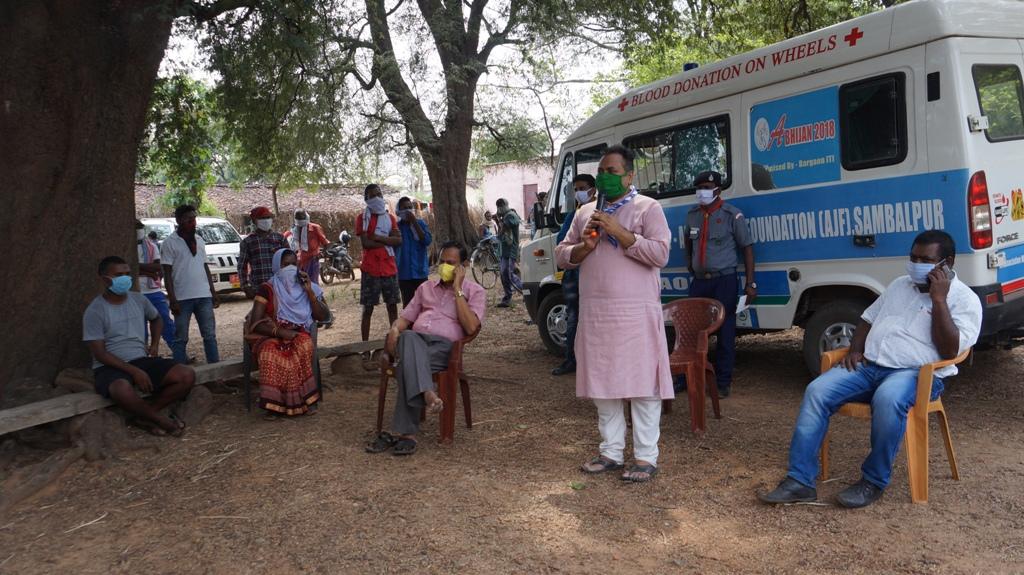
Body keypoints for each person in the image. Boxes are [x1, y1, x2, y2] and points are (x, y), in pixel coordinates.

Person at [758, 230, 982, 508]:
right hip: (870, 367)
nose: (916, 263)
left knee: (888, 398)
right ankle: (799, 481)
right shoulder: (901, 285)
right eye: (913, 257)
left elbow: (950, 350)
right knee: (817, 390)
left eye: (926, 259)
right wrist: (855, 349)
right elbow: (867, 318)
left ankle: (873, 482)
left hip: (916, 375)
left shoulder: (964, 299)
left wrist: (938, 300)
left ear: (947, 263)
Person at [554, 145, 673, 483]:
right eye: (602, 171)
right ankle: (611, 451)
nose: (605, 177)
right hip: (596, 314)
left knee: (643, 386)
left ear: (630, 175)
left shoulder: (648, 208)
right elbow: (561, 255)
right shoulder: (585, 212)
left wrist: (619, 232)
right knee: (603, 384)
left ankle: (646, 457)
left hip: (636, 314)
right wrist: (583, 247)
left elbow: (660, 254)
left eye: (613, 172)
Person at [366, 241, 485, 456]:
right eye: (442, 262)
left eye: (451, 263)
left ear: (463, 265)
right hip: (415, 341)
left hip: (443, 351)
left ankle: (408, 433)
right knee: (409, 337)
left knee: (406, 364)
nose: (445, 266)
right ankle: (427, 394)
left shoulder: (474, 292)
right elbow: (405, 319)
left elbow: (470, 327)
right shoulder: (425, 288)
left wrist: (457, 289)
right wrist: (394, 331)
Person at [84, 256, 195, 436]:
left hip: (141, 359)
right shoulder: (95, 311)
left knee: (186, 374)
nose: (125, 279)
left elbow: (156, 318)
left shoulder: (138, 300)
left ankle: (145, 415)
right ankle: (161, 420)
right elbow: (100, 353)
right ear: (105, 279)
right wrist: (134, 371)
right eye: (119, 275)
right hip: (109, 366)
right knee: (120, 388)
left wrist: (154, 344)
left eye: (127, 274)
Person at [682, 170, 757, 398]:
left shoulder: (731, 215)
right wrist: (691, 266)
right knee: (692, 331)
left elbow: (747, 248)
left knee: (725, 332)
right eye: (700, 187)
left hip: (724, 280)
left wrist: (751, 284)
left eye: (707, 187)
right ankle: (686, 377)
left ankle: (723, 382)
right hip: (699, 282)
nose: (702, 191)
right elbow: (688, 243)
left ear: (718, 190)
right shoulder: (693, 215)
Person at [246, 249, 329, 417]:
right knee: (270, 352)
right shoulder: (267, 288)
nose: (290, 269)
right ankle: (274, 405)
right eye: (285, 265)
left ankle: (300, 401)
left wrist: (309, 292)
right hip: (272, 334)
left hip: (298, 333)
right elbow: (255, 322)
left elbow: (323, 316)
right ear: (277, 267)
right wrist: (280, 332)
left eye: (293, 264)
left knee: (303, 346)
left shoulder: (309, 286)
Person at [161, 205, 220, 365]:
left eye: (194, 219)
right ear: (179, 220)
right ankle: (180, 373)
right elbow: (167, 272)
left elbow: (205, 266)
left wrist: (213, 292)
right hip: (182, 298)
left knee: (209, 336)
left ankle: (216, 373)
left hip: (204, 295)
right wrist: (172, 299)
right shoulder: (169, 242)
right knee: (181, 338)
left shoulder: (199, 240)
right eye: (188, 219)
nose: (192, 222)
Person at [551, 174, 596, 376]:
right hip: (572, 277)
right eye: (576, 189)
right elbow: (562, 244)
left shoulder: (600, 214)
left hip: (592, 277)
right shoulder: (573, 215)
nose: (579, 193)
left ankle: (591, 363)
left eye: (583, 188)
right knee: (573, 319)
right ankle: (572, 360)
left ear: (593, 190)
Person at [356, 184, 402, 342]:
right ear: (366, 199)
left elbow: (398, 241)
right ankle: (365, 348)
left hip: (389, 268)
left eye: (379, 194)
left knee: (392, 306)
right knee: (367, 309)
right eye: (372, 195)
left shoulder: (390, 218)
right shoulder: (362, 218)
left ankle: (394, 343)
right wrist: (388, 241)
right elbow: (366, 244)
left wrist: (379, 238)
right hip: (371, 269)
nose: (377, 198)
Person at [135, 220, 175, 349]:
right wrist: (148, 271)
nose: (139, 230)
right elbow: (128, 267)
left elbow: (158, 267)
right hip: (136, 291)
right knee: (139, 327)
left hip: (153, 290)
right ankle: (142, 355)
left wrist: (139, 268)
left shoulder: (150, 246)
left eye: (140, 227)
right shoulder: (122, 246)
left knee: (165, 321)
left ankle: (178, 352)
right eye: (136, 228)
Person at [238, 206, 288, 299]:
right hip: (259, 287)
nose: (266, 220)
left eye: (268, 217)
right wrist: (245, 286)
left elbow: (290, 262)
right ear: (254, 221)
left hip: (281, 286)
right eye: (262, 218)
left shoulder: (280, 238)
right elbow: (242, 266)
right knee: (261, 312)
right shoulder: (248, 242)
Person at [395, 196, 433, 306]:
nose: (408, 210)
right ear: (399, 211)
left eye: (409, 207)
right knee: (408, 305)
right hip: (404, 273)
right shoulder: (396, 227)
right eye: (404, 208)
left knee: (425, 303)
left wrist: (414, 222)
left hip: (420, 271)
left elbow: (427, 241)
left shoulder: (420, 224)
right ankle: (410, 324)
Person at [284, 209, 328, 285]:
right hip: (299, 261)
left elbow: (326, 243)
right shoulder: (294, 230)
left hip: (312, 260)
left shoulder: (315, 228)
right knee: (300, 284)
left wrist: (322, 254)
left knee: (313, 284)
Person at [494, 198, 523, 308]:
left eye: (501, 205)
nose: (499, 208)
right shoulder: (505, 217)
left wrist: (498, 219)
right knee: (504, 274)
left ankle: (525, 291)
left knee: (509, 274)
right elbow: (500, 233)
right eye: (498, 206)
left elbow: (504, 227)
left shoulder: (511, 215)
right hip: (504, 251)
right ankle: (507, 298)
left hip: (511, 250)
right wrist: (498, 219)